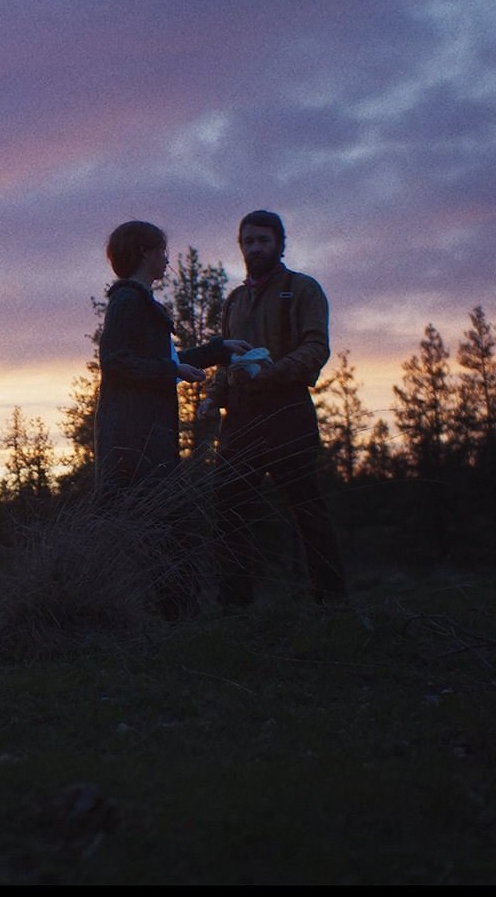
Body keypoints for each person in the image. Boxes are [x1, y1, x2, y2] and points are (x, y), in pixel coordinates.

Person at [200, 210, 348, 605]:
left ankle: (332, 603)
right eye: (248, 241)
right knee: (229, 507)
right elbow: (225, 361)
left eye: (263, 240)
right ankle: (234, 608)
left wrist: (275, 372)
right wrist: (215, 397)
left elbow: (317, 347)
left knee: (306, 508)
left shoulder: (303, 289)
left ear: (280, 244)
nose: (255, 248)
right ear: (241, 247)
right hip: (242, 415)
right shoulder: (233, 300)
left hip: (287, 407)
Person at [96, 220, 249, 489]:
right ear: (145, 252)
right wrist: (171, 370)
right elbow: (114, 362)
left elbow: (166, 363)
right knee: (148, 521)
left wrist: (218, 350)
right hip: (134, 440)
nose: (167, 261)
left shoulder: (140, 302)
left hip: (148, 434)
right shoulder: (127, 301)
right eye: (163, 251)